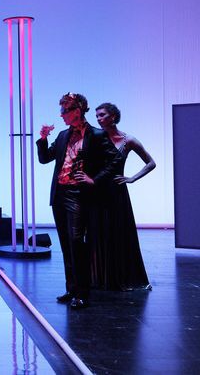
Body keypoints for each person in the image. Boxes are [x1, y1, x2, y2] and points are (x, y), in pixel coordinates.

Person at [37, 93, 122, 309]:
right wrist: (43, 138)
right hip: (60, 194)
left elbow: (115, 159)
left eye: (64, 110)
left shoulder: (96, 135)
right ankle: (71, 289)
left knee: (76, 243)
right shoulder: (63, 135)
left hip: (78, 195)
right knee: (66, 244)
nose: (61, 115)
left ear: (77, 111)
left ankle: (83, 293)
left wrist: (95, 179)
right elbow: (45, 158)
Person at [92, 102, 153, 291]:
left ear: (113, 116)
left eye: (102, 115)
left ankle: (121, 277)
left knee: (118, 234)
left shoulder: (128, 140)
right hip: (97, 191)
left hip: (117, 192)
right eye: (97, 116)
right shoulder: (95, 137)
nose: (98, 119)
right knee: (97, 235)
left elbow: (151, 163)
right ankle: (99, 279)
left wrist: (132, 178)